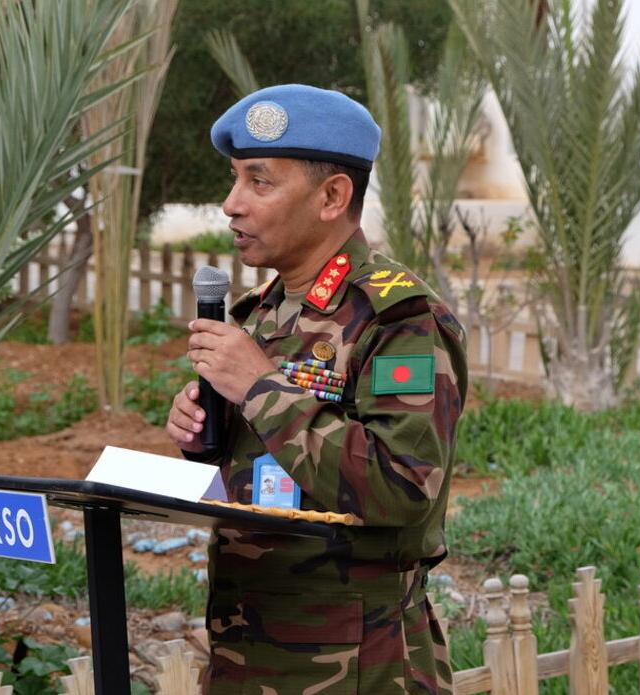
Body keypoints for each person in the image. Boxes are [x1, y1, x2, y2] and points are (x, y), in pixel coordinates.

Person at [165, 83, 468, 695]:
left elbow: (402, 487)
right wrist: (203, 435)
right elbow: (268, 467)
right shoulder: (259, 312)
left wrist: (260, 388)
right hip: (245, 647)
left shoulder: (400, 319)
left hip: (358, 663)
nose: (231, 205)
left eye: (259, 181)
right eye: (234, 179)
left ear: (332, 196)